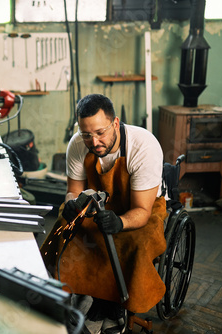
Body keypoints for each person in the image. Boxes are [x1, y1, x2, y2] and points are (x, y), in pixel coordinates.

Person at [40, 94, 168, 334]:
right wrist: (70, 205)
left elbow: (141, 210)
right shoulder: (78, 144)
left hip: (141, 206)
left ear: (115, 124)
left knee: (135, 243)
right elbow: (73, 191)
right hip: (98, 204)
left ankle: (116, 304)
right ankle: (73, 294)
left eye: (100, 133)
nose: (94, 141)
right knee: (65, 228)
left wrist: (119, 222)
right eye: (86, 134)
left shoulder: (143, 147)